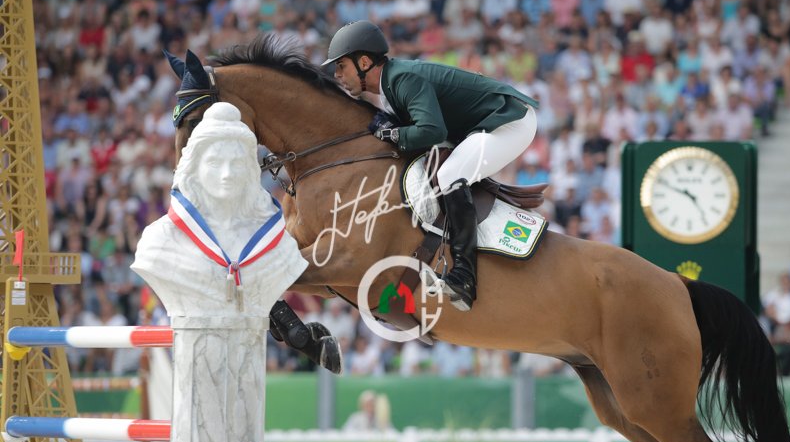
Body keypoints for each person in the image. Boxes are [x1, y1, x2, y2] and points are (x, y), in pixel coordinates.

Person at [323, 20, 539, 311]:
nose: (337, 74)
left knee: (450, 174)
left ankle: (464, 278)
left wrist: (394, 134)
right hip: (483, 126)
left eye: (341, 66)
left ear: (363, 63)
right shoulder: (390, 87)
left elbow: (432, 131)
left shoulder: (402, 79)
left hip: (509, 121)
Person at [132, 102, 341, 373]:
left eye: (236, 163)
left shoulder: (276, 242)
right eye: (215, 162)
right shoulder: (158, 241)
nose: (227, 174)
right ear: (195, 166)